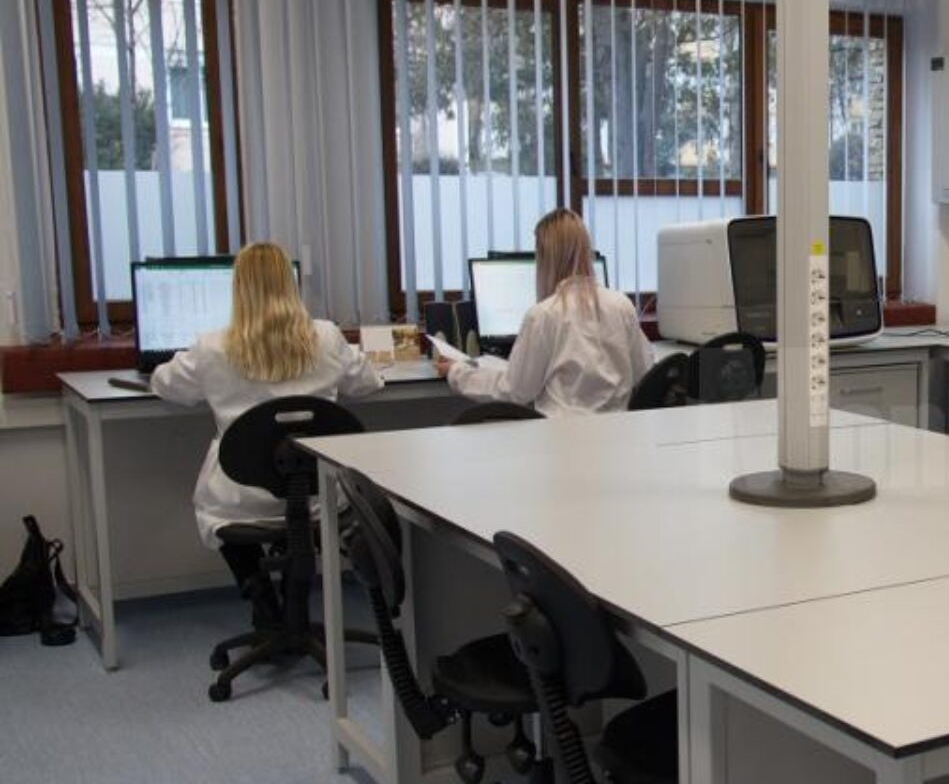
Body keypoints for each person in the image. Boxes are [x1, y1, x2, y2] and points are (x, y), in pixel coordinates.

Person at [152, 241, 383, 615]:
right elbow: (367, 383)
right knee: (302, 511)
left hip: (243, 494)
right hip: (318, 492)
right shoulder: (327, 336)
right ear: (291, 286)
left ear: (238, 288)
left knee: (213, 508)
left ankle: (257, 591)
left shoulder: (212, 346)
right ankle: (295, 598)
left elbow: (166, 386)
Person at [436, 209, 654, 416]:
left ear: (544, 257)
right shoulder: (621, 305)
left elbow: (514, 391)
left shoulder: (544, 315)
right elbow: (644, 370)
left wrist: (457, 372)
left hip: (560, 437)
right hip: (618, 434)